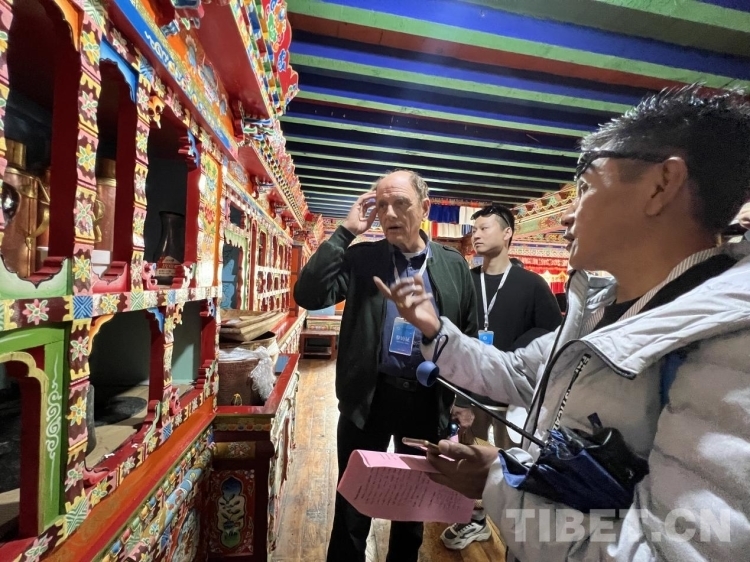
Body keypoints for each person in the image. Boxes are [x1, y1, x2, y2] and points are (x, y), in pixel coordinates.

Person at [375, 85, 750, 561]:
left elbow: (663, 551)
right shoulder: (599, 311)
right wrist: (434, 329)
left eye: (586, 187)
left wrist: (496, 483)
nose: (568, 216)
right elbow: (517, 372)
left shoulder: (728, 354)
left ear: (661, 186)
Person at [293, 169, 478, 562]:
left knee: (412, 508)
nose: (389, 213)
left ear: (425, 208)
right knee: (352, 504)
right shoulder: (364, 258)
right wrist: (344, 233)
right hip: (369, 399)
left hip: (427, 403)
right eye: (381, 205)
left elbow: (468, 334)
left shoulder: (453, 266)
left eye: (400, 203)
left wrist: (464, 401)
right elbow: (309, 294)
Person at [440, 203, 562, 550]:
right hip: (473, 392)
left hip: (515, 396)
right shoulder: (466, 280)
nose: (476, 235)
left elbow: (552, 332)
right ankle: (474, 521)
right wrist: (459, 398)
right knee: (471, 460)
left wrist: (514, 352)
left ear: (507, 233)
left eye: (485, 228)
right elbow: (456, 339)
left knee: (515, 465)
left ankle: (518, 537)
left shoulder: (532, 284)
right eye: (474, 229)